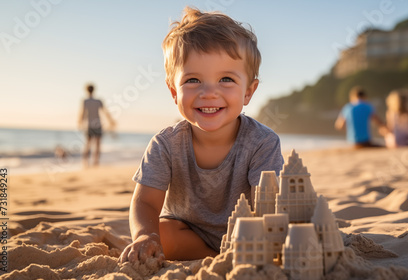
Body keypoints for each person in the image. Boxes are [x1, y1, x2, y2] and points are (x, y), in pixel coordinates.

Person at [118, 7, 284, 264]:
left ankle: (235, 254)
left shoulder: (262, 142)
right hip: (189, 233)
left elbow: (269, 202)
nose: (209, 93)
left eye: (226, 79)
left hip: (246, 232)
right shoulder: (165, 144)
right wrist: (143, 236)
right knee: (163, 232)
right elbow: (146, 202)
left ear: (248, 92)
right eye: (193, 80)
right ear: (174, 91)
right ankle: (216, 257)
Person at [78, 83, 115, 167]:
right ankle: (96, 162)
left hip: (89, 125)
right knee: (97, 145)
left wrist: (80, 122)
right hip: (98, 124)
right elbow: (105, 112)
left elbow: (82, 113)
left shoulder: (85, 101)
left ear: (86, 90)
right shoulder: (98, 101)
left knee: (88, 144)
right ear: (94, 90)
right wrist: (111, 121)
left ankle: (85, 162)